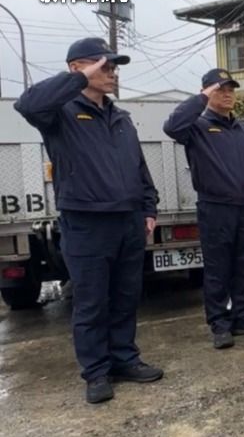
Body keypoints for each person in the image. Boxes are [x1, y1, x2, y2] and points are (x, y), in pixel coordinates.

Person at [13, 38, 164, 404]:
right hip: (86, 223)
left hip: (128, 221)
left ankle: (124, 359)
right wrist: (80, 78)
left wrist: (148, 208)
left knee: (126, 296)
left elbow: (137, 166)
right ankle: (96, 372)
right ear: (77, 69)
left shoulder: (120, 116)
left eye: (113, 67)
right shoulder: (59, 112)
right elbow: (26, 103)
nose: (112, 73)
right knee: (92, 301)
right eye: (104, 66)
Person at [164, 69, 244, 350]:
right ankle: (219, 324)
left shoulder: (243, 128)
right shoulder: (196, 127)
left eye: (230, 89)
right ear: (207, 93)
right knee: (218, 268)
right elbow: (172, 126)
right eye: (220, 89)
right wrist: (201, 97)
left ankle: (242, 317)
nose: (227, 94)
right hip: (216, 208)